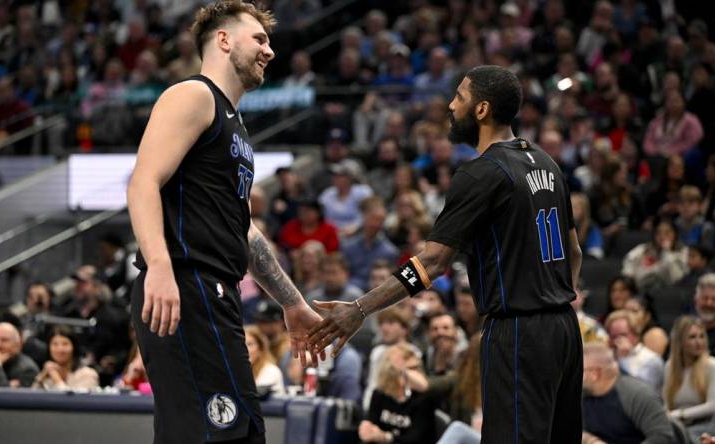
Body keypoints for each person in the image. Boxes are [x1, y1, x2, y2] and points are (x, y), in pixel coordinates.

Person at [309, 65, 584, 443]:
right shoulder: (548, 165)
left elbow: (432, 263)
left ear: (482, 110)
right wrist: (553, 296)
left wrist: (358, 309)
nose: (451, 106)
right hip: (565, 327)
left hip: (518, 329)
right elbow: (573, 251)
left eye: (459, 97)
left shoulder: (481, 174)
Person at [125, 3, 323, 443]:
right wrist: (159, 265)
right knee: (219, 435)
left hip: (215, 293)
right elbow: (142, 183)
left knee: (236, 433)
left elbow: (244, 230)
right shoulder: (192, 95)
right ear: (224, 40)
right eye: (260, 39)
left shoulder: (235, 125)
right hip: (184, 285)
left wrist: (291, 302)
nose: (270, 51)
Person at [581, 342, 674, 444]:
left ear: (595, 373)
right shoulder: (582, 394)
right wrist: (590, 440)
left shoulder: (637, 394)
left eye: (580, 371)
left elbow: (663, 436)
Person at [359, 343, 436, 444]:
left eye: (414, 368)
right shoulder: (379, 394)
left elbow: (416, 439)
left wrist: (385, 437)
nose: (411, 375)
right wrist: (366, 429)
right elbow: (371, 424)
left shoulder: (424, 399)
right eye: (403, 371)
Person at [663, 316, 715, 441]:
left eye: (701, 336)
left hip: (703, 430)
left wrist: (679, 414)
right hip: (676, 427)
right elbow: (666, 404)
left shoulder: (713, 365)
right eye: (692, 337)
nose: (699, 342)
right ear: (680, 342)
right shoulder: (670, 366)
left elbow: (712, 407)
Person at [605, 310, 664, 393]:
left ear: (636, 335)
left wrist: (623, 360)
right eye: (613, 336)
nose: (617, 341)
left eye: (623, 335)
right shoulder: (608, 358)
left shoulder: (652, 360)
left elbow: (641, 392)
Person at [32, 326, 99, 391]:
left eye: (65, 344)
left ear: (74, 347)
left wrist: (56, 378)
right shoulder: (47, 374)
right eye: (55, 344)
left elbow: (74, 401)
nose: (60, 349)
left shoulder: (87, 374)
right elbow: (31, 399)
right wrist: (41, 378)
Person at [243, 325, 284, 395]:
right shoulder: (237, 371)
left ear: (260, 348)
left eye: (250, 344)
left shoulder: (271, 370)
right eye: (242, 345)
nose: (245, 349)